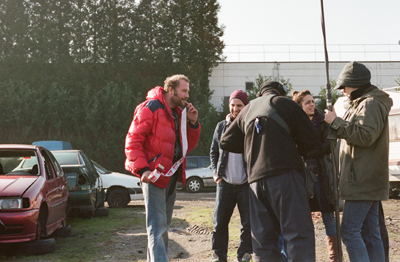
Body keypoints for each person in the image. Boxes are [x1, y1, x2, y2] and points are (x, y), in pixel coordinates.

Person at [220, 81, 318, 262]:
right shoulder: (285, 103)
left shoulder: (247, 110)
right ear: (280, 93)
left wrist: (253, 144)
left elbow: (225, 142)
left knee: (263, 240)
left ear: (260, 94)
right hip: (285, 177)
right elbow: (312, 140)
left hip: (255, 182)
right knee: (297, 235)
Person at [125, 74, 201, 262]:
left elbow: (186, 147)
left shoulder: (177, 113)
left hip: (171, 177)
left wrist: (192, 123)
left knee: (162, 227)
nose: (187, 96)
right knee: (157, 227)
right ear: (170, 90)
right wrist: (143, 170)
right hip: (154, 177)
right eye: (184, 91)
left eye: (188, 91)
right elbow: (132, 141)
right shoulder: (150, 108)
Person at [325, 61, 393, 262]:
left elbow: (365, 136)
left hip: (362, 181)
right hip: (366, 179)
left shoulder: (370, 103)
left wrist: (335, 122)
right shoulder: (366, 102)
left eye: (344, 86)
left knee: (350, 232)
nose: (343, 91)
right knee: (370, 233)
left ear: (354, 83)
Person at [292, 89, 338, 262]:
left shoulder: (323, 122)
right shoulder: (295, 124)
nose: (312, 104)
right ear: (300, 106)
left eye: (312, 101)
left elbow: (328, 145)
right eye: (307, 102)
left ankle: (335, 257)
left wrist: (310, 152)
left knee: (328, 216)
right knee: (304, 220)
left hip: (323, 175)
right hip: (303, 177)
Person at [210, 90, 253, 262]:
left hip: (246, 184)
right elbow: (214, 152)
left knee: (248, 224)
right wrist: (215, 173)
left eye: (239, 105)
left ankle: (244, 255)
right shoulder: (221, 127)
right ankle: (219, 256)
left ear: (246, 106)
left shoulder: (250, 126)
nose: (235, 109)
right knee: (219, 223)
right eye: (232, 105)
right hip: (225, 183)